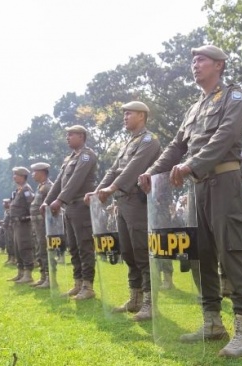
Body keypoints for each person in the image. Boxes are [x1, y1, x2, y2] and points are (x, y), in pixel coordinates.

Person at [138, 45, 242, 357]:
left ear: (218, 65)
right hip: (197, 187)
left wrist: (193, 164)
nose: (194, 65)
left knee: (233, 252)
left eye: (201, 60)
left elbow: (226, 135)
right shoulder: (193, 109)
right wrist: (152, 171)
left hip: (224, 181)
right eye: (192, 60)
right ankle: (212, 322)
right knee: (200, 254)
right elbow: (177, 146)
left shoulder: (233, 96)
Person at [86, 101, 161, 320]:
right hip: (123, 202)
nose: (125, 117)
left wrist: (112, 188)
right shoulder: (128, 142)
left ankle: (149, 302)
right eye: (124, 113)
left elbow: (134, 167)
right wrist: (98, 190)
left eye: (129, 113)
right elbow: (113, 169)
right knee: (128, 251)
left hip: (139, 201)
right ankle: (135, 297)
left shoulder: (149, 140)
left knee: (142, 250)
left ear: (141, 115)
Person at [42, 125, 98, 300]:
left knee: (84, 246)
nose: (67, 137)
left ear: (81, 136)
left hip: (82, 206)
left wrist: (60, 200)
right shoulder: (69, 159)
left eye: (71, 134)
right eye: (67, 135)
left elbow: (76, 180)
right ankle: (78, 283)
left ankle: (88, 286)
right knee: (73, 247)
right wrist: (47, 201)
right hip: (70, 207)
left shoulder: (87, 155)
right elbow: (59, 181)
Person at [8, 167, 35, 283]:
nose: (14, 177)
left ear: (23, 176)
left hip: (24, 223)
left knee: (24, 247)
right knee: (17, 248)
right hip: (16, 223)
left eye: (16, 175)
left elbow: (31, 206)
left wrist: (29, 219)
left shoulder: (26, 189)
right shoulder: (19, 190)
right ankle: (21, 272)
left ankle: (28, 274)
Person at [29, 162, 53, 288]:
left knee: (45, 249)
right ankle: (43, 276)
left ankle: (50, 278)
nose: (33, 174)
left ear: (42, 172)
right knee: (40, 249)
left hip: (44, 224)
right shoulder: (40, 187)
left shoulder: (49, 187)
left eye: (35, 172)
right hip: (37, 224)